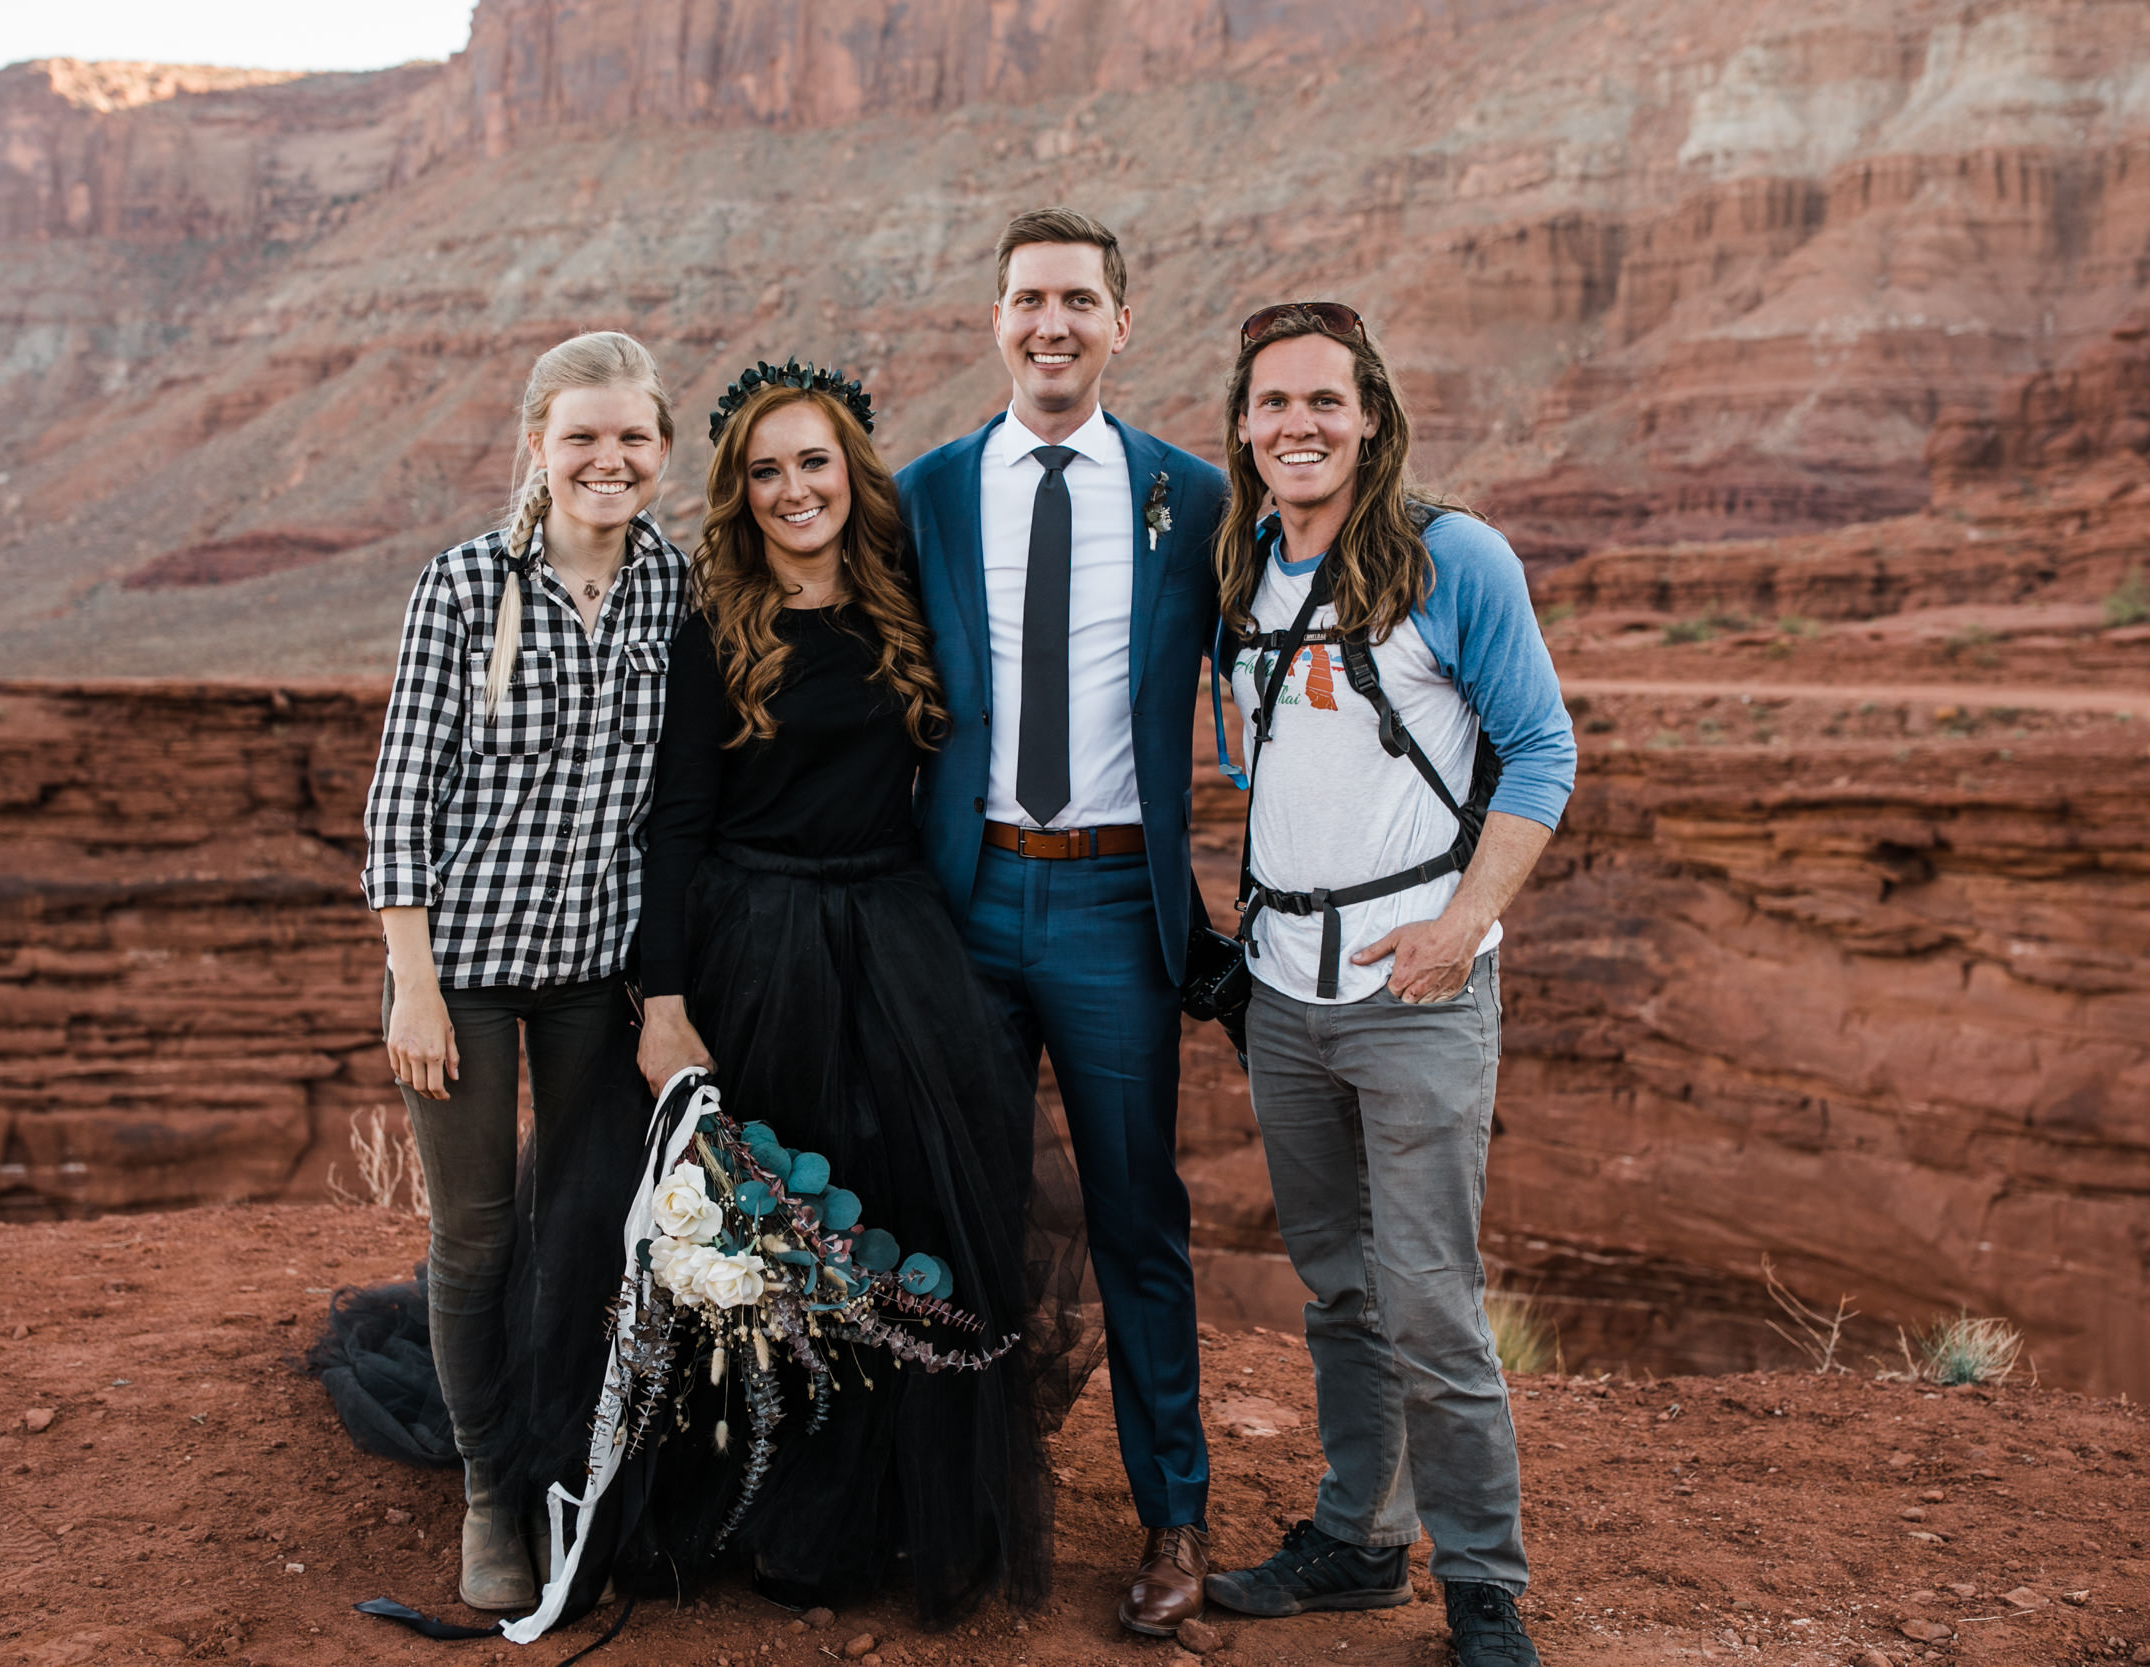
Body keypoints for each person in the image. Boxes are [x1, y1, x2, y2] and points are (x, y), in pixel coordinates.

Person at [631, 366, 1090, 1623]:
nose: (794, 490)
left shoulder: (904, 602)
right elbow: (672, 824)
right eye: (767, 470)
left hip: (891, 937)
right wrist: (661, 1004)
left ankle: (883, 1505)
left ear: (853, 474)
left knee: (898, 1215)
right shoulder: (711, 619)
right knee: (762, 1236)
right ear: (741, 490)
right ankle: (765, 1503)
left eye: (814, 464)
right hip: (755, 939)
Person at [1196, 302, 1575, 1667]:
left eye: (1325, 402)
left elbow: (1542, 750)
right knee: (1341, 1286)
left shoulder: (1448, 556)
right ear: (1243, 424)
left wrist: (1466, 920)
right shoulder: (1244, 570)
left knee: (1430, 1292)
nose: (1299, 424)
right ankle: (1360, 1536)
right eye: (1274, 403)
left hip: (1416, 991)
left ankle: (1482, 1582)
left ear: (1370, 415)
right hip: (1285, 996)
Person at [894, 207, 1231, 1636]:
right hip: (960, 895)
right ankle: (954, 1507)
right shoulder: (925, 491)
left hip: (1110, 897)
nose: (1053, 324)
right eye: (1030, 298)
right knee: (945, 1209)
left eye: (1079, 301)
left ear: (1121, 322)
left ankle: (1172, 1513)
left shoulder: (1191, 498)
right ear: (995, 318)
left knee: (1134, 1210)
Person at [358, 330, 689, 1612]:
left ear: (660, 451)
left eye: (631, 439)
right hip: (472, 975)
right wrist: (413, 982)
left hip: (595, 978)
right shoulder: (462, 586)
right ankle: (492, 1487)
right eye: (582, 438)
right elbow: (400, 800)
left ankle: (570, 1455)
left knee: (585, 1227)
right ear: (539, 448)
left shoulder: (673, 589)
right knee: (480, 1232)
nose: (608, 460)